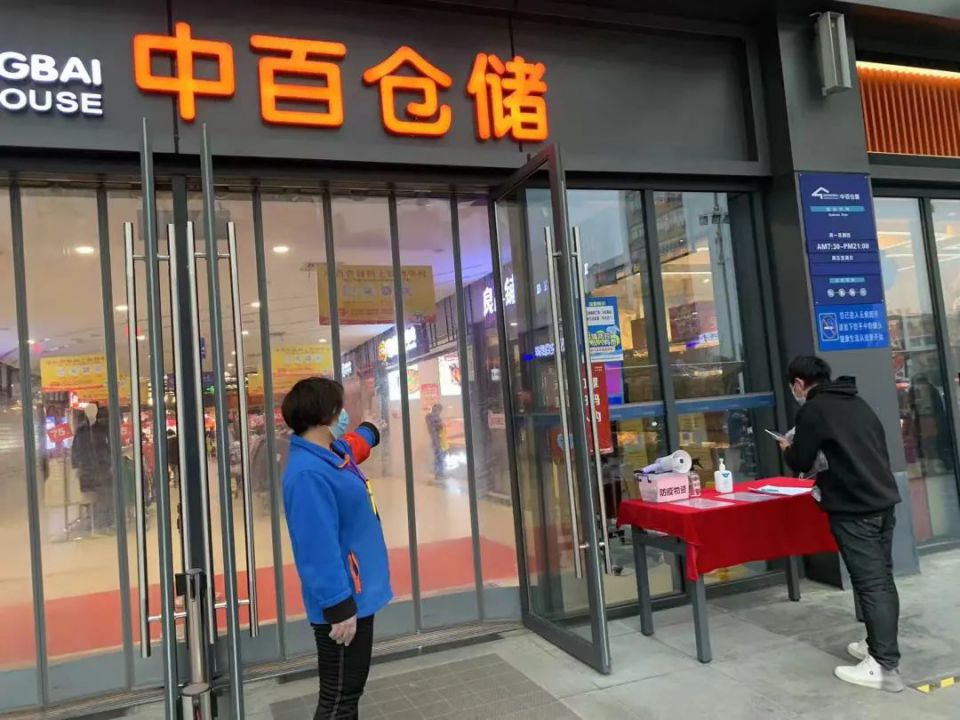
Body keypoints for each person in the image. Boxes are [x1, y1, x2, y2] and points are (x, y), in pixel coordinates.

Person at [778, 356, 904, 693]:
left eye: (794, 387)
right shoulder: (856, 402)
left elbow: (801, 460)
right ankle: (876, 644)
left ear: (799, 384)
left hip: (854, 508)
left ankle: (883, 666)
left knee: (871, 584)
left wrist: (787, 447)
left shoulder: (813, 410)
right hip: (882, 501)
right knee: (881, 579)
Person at [281, 377, 391, 719]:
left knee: (348, 695)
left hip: (357, 592)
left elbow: (353, 446)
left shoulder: (330, 453)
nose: (344, 415)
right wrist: (338, 606)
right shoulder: (307, 474)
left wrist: (371, 429)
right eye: (340, 408)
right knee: (339, 700)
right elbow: (316, 548)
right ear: (327, 414)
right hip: (344, 600)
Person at [425, 403, 446, 481]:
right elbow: (434, 427)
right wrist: (440, 424)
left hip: (438, 440)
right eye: (439, 410)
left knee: (439, 457)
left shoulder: (435, 417)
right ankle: (438, 474)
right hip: (436, 440)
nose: (439, 412)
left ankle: (440, 474)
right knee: (438, 457)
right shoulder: (431, 416)